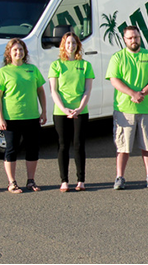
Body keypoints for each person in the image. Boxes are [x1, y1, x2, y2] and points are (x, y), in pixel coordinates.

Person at [106, 25, 148, 190]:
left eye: (136, 37)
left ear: (140, 38)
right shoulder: (118, 57)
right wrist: (132, 93)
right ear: (124, 40)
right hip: (124, 111)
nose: (134, 40)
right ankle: (120, 177)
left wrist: (142, 93)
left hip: (147, 109)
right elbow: (114, 79)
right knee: (123, 148)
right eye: (130, 38)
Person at [0, 38, 47, 193]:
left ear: (25, 52)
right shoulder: (3, 72)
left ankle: (31, 180)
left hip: (31, 116)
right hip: (11, 118)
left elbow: (40, 91)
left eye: (21, 49)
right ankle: (12, 182)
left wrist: (43, 111)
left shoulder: (32, 69)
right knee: (11, 149)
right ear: (9, 53)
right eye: (15, 50)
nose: (18, 52)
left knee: (32, 149)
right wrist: (0, 117)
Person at [48, 32, 94, 192]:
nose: (71, 46)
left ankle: (81, 180)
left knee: (79, 145)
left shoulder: (86, 65)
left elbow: (87, 90)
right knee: (63, 145)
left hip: (80, 111)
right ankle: (64, 181)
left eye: (73, 43)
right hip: (61, 112)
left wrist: (79, 108)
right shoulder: (56, 65)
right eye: (68, 43)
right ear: (63, 45)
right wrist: (64, 109)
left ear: (78, 45)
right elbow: (54, 91)